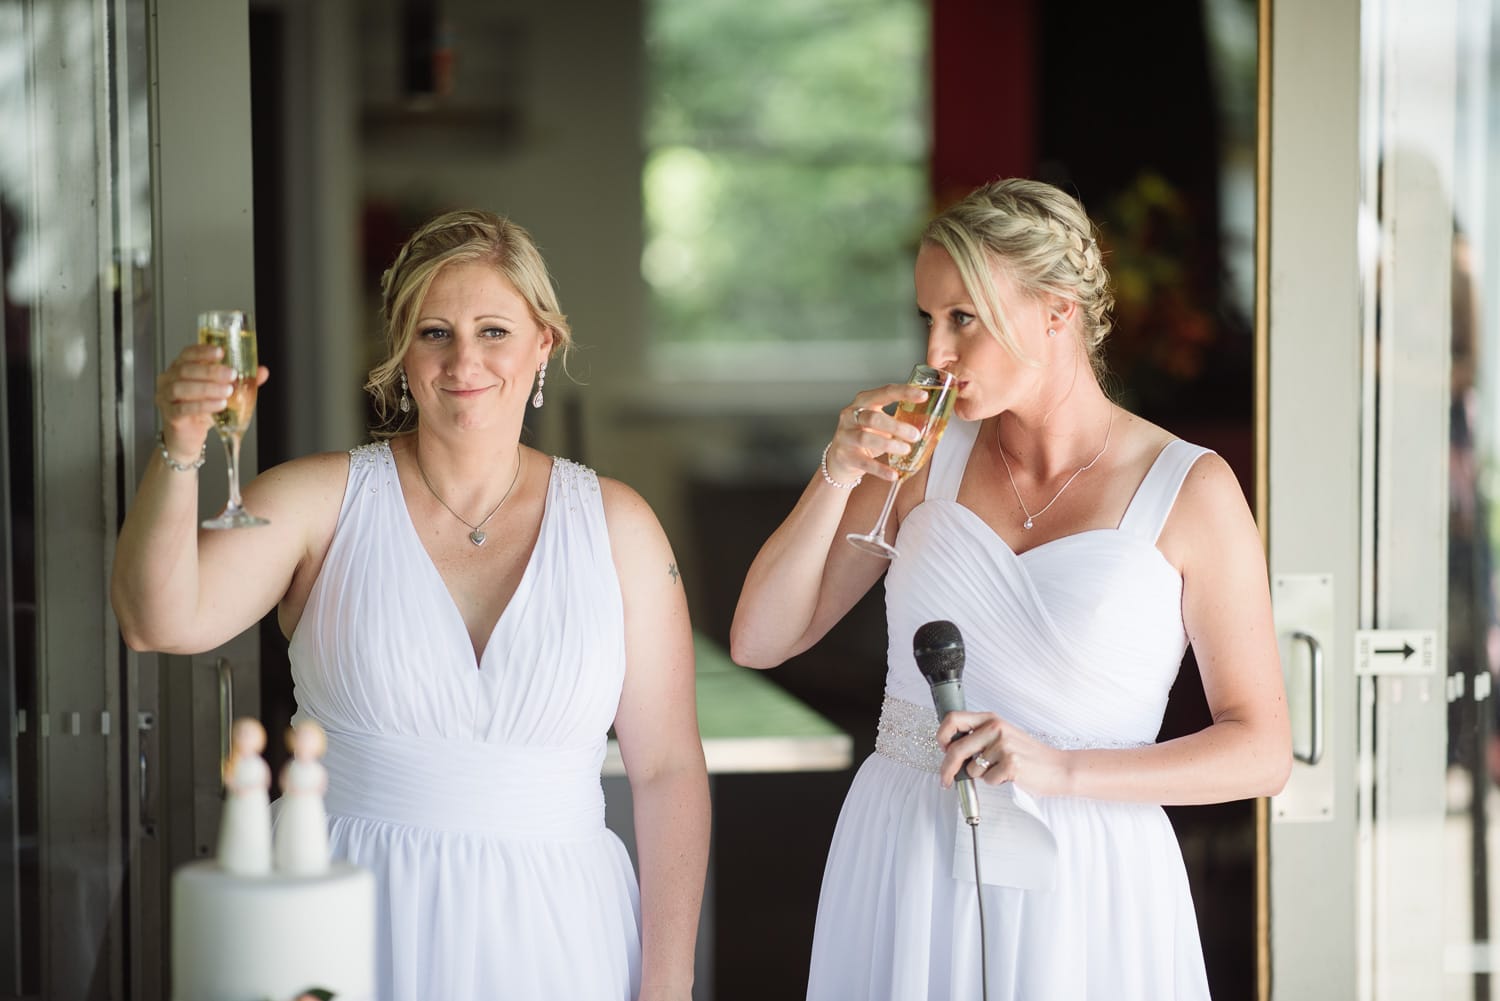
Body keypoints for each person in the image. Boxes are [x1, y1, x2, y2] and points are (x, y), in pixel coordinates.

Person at [111, 209, 710, 1001]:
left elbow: (667, 769)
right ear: (400, 354)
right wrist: (181, 444)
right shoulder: (318, 500)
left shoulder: (620, 526)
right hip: (349, 915)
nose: (465, 358)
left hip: (560, 929)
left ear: (544, 347)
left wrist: (666, 984)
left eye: (494, 330)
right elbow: (157, 619)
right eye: (435, 332)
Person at [730, 178, 1291, 1000]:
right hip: (907, 847)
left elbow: (1263, 750)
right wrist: (836, 471)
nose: (937, 354)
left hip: (1090, 875)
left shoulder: (1191, 491)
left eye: (963, 318)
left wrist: (1058, 769)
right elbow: (761, 638)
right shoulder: (925, 459)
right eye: (928, 319)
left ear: (1058, 310)